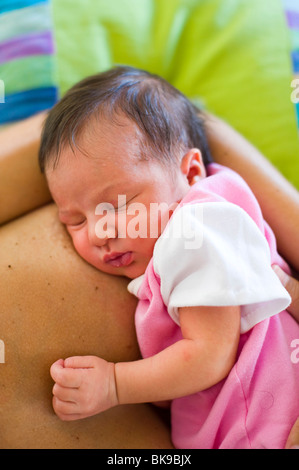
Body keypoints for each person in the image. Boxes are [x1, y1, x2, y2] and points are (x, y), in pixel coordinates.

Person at [37, 66, 299, 448]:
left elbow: (210, 355)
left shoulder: (193, 228)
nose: (98, 232)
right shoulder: (206, 218)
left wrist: (113, 384)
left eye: (118, 204)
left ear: (191, 172)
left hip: (269, 424)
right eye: (74, 220)